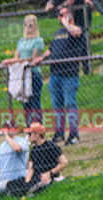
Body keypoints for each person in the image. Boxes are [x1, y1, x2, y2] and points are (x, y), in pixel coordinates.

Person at [34, 5, 84, 145]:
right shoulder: (58, 32)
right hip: (55, 75)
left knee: (70, 104)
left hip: (69, 76)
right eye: (59, 15)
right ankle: (59, 133)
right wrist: (42, 58)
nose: (59, 17)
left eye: (62, 14)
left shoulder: (77, 29)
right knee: (57, 106)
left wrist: (67, 23)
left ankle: (74, 135)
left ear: (70, 16)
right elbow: (52, 49)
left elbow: (75, 32)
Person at [4, 122, 69, 197]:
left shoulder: (50, 146)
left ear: (37, 134)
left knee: (26, 188)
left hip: (46, 177)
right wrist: (27, 181)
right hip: (35, 176)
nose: (28, 136)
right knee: (11, 184)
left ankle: (21, 194)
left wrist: (50, 173)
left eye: (29, 134)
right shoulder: (34, 149)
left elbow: (64, 162)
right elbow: (31, 168)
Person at [2, 15, 45, 125]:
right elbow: (17, 58)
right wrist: (9, 61)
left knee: (35, 103)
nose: (27, 28)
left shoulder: (38, 40)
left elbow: (33, 58)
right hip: (22, 75)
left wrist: (17, 61)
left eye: (30, 25)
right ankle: (29, 130)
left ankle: (38, 129)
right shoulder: (21, 41)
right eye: (26, 25)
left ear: (35, 26)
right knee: (26, 105)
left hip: (33, 74)